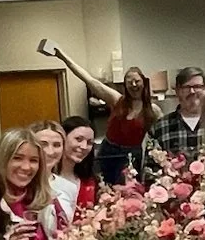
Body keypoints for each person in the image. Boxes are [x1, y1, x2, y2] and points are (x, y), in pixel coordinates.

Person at [45, 44, 159, 184]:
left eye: (137, 81)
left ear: (144, 82)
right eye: (129, 82)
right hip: (107, 151)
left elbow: (161, 137)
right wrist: (62, 56)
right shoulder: (117, 100)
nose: (134, 84)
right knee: (99, 186)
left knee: (125, 191)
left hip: (131, 156)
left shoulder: (153, 111)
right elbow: (90, 80)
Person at [145, 66, 205, 166]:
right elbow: (150, 170)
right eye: (186, 87)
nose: (192, 91)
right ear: (178, 91)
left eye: (197, 86)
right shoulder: (160, 128)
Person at [50, 115, 99, 223]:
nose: (84, 146)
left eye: (89, 142)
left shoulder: (89, 182)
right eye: (78, 139)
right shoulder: (46, 178)